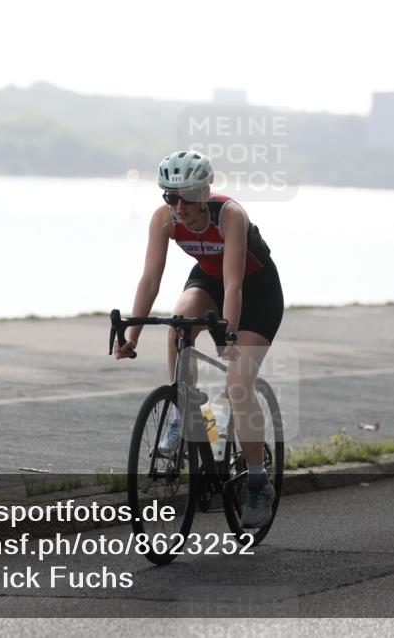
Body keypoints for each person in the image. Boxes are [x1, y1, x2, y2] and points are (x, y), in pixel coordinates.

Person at [113, 149, 284, 528]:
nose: (179, 207)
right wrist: (132, 334)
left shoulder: (231, 216)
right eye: (170, 197)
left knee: (238, 385)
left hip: (255, 292)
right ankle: (182, 407)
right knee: (179, 323)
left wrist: (229, 336)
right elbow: (150, 280)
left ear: (205, 193)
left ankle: (257, 482)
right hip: (208, 280)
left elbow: (235, 284)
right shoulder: (164, 219)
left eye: (187, 197)